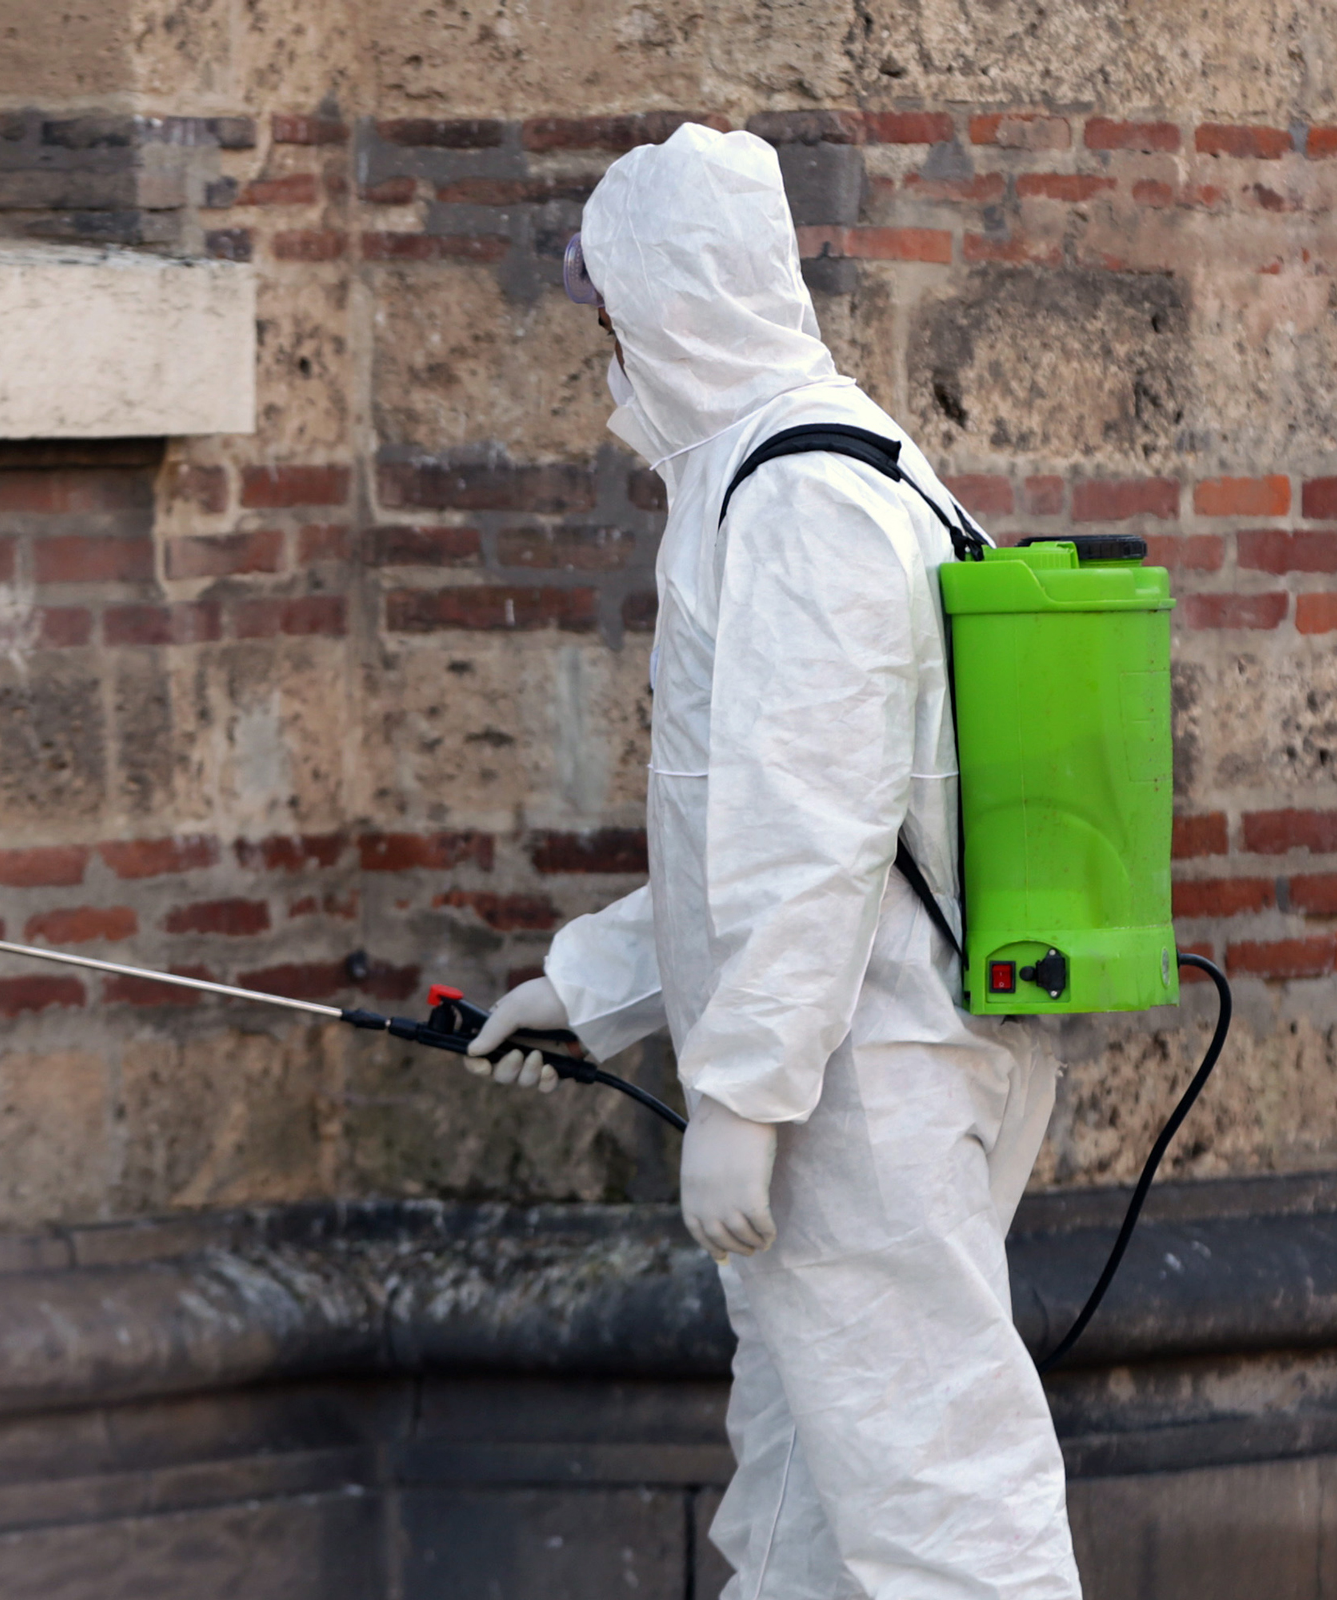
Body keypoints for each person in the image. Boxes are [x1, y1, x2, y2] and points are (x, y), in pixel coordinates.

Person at [464, 123, 1080, 1598]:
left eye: (612, 325)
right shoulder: (806, 468)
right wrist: (594, 983)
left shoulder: (800, 498)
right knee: (810, 1509)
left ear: (671, 312)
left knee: (941, 1510)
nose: (606, 367)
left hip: (865, 1079)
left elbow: (810, 832)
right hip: (863, 1054)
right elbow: (752, 823)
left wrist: (740, 1091)